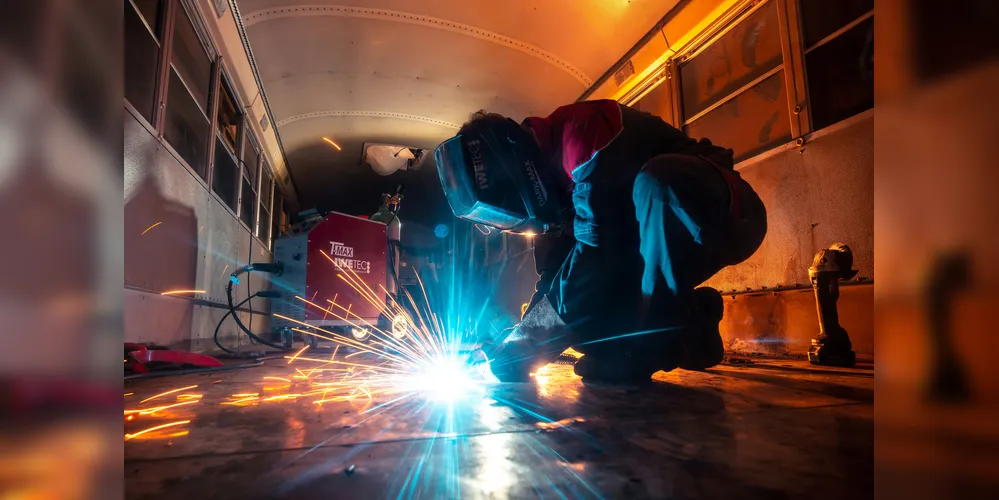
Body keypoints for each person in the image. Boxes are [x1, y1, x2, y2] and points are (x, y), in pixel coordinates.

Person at [433, 100, 767, 383]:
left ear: (515, 172)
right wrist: (517, 342)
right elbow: (555, 282)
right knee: (589, 331)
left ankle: (654, 345)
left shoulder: (583, 135)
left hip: (728, 214)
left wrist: (524, 348)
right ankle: (694, 325)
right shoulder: (552, 197)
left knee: (660, 183)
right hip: (651, 244)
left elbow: (594, 258)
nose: (511, 226)